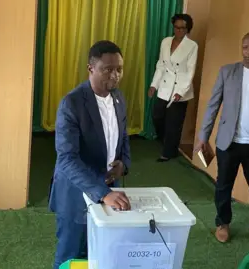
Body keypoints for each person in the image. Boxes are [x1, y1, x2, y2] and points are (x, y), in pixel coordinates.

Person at [195, 31, 249, 248]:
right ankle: (223, 223)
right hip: (229, 142)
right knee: (223, 186)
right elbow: (213, 104)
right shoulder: (227, 72)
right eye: (245, 47)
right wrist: (203, 136)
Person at [48, 40, 131, 269]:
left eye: (119, 69)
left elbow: (123, 136)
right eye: (108, 69)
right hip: (77, 194)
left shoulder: (119, 98)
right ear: (90, 69)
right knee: (71, 255)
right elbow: (66, 158)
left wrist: (123, 163)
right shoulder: (72, 103)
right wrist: (103, 193)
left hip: (109, 189)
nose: (115, 75)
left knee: (101, 252)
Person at [148, 13, 198, 162]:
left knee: (174, 123)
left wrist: (180, 92)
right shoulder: (166, 42)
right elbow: (161, 65)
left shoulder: (192, 46)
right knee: (157, 116)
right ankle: (167, 142)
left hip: (180, 88)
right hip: (164, 86)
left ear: (188, 29)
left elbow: (190, 71)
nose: (179, 31)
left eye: (183, 28)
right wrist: (153, 85)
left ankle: (169, 152)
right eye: (176, 27)